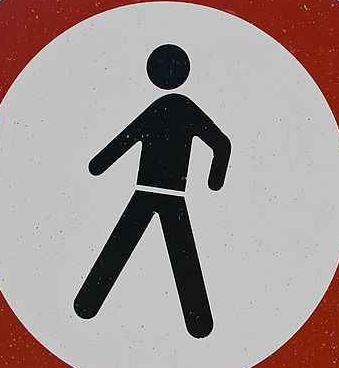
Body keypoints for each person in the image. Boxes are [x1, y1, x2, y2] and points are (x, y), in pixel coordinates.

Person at [73, 44, 230, 339]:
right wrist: (214, 181)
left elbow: (126, 138)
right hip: (166, 195)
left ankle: (86, 306)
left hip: (151, 193)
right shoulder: (183, 108)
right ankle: (199, 324)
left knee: (124, 248)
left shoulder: (167, 108)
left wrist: (99, 165)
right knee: (177, 254)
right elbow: (222, 144)